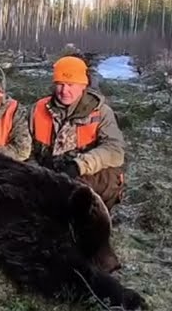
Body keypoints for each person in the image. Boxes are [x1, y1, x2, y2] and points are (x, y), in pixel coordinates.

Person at [29, 55, 128, 209]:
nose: (64, 90)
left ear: (83, 85)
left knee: (108, 177)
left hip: (83, 173)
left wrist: (79, 165)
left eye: (70, 84)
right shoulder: (38, 108)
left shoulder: (101, 112)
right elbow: (25, 146)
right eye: (60, 84)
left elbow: (115, 150)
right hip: (46, 171)